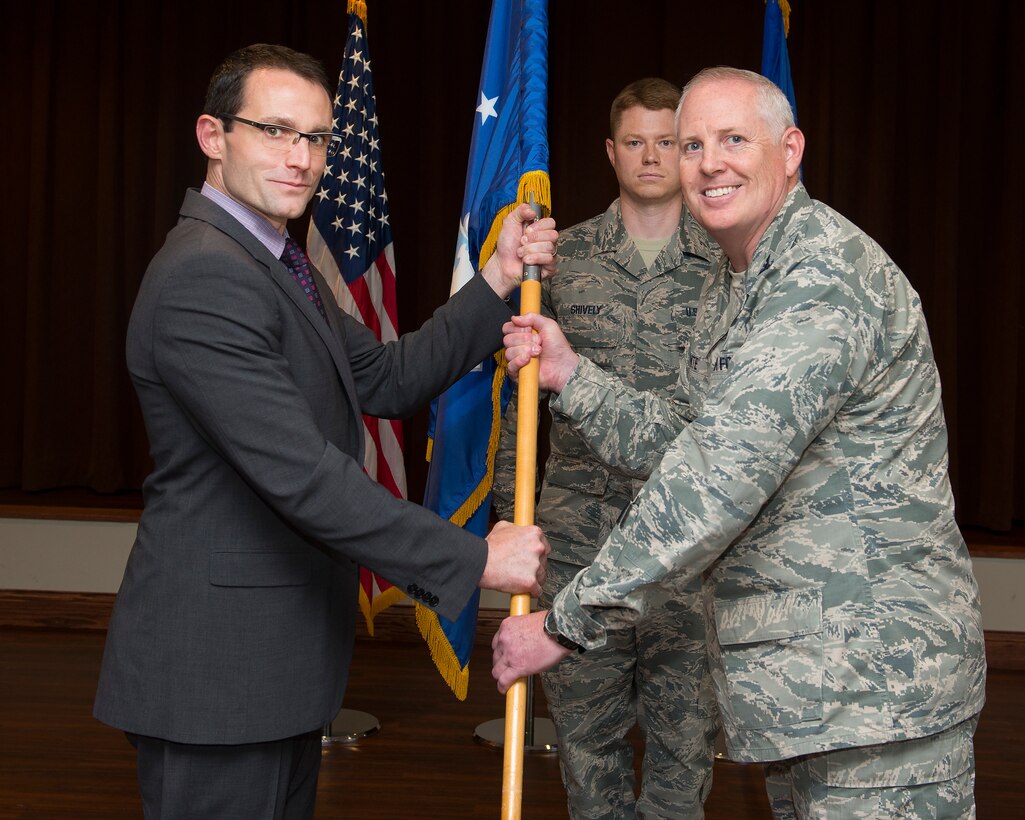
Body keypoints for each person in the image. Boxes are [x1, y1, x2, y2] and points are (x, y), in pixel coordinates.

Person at [493, 66, 986, 817]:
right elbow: (690, 441)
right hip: (815, 691)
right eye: (692, 144)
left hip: (876, 687)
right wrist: (574, 377)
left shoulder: (820, 276)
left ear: (789, 150)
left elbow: (719, 474)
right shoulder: (741, 279)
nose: (707, 163)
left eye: (732, 140)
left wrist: (567, 623)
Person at [93, 43, 556, 819]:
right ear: (213, 136)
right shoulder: (206, 274)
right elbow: (303, 476)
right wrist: (475, 557)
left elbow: (387, 377)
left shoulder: (275, 262)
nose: (301, 158)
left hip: (271, 666)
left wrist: (498, 277)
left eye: (315, 138)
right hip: (216, 674)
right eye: (274, 131)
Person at [492, 78, 717, 819]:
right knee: (589, 752)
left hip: (687, 546)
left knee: (684, 753)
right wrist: (511, 518)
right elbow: (522, 399)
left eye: (668, 141)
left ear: (688, 151)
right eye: (634, 141)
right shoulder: (561, 259)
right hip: (580, 539)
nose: (651, 157)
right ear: (610, 152)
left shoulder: (729, 261)